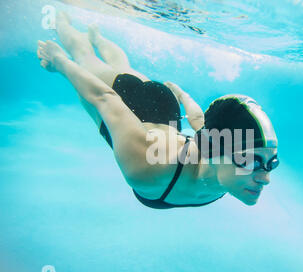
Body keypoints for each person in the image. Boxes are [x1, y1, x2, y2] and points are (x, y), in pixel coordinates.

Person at [37, 12, 279, 209]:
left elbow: (199, 122)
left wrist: (183, 96)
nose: (265, 178)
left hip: (165, 106)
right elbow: (106, 99)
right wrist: (60, 62)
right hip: (124, 100)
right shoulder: (148, 167)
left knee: (123, 66)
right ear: (211, 148)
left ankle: (99, 37)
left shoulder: (220, 159)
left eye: (272, 163)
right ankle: (60, 18)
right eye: (251, 161)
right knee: (83, 55)